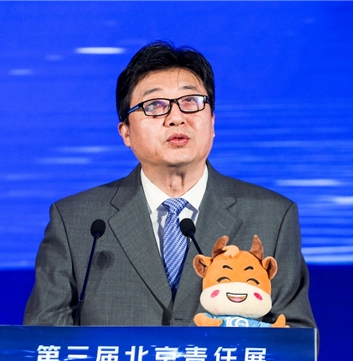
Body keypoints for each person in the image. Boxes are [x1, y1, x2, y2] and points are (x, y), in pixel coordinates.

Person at [23, 41, 316, 329]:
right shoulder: (75, 221)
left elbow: (296, 342)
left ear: (212, 122)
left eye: (191, 102)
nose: (176, 118)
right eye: (155, 105)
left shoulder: (273, 216)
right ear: (125, 132)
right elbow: (43, 339)